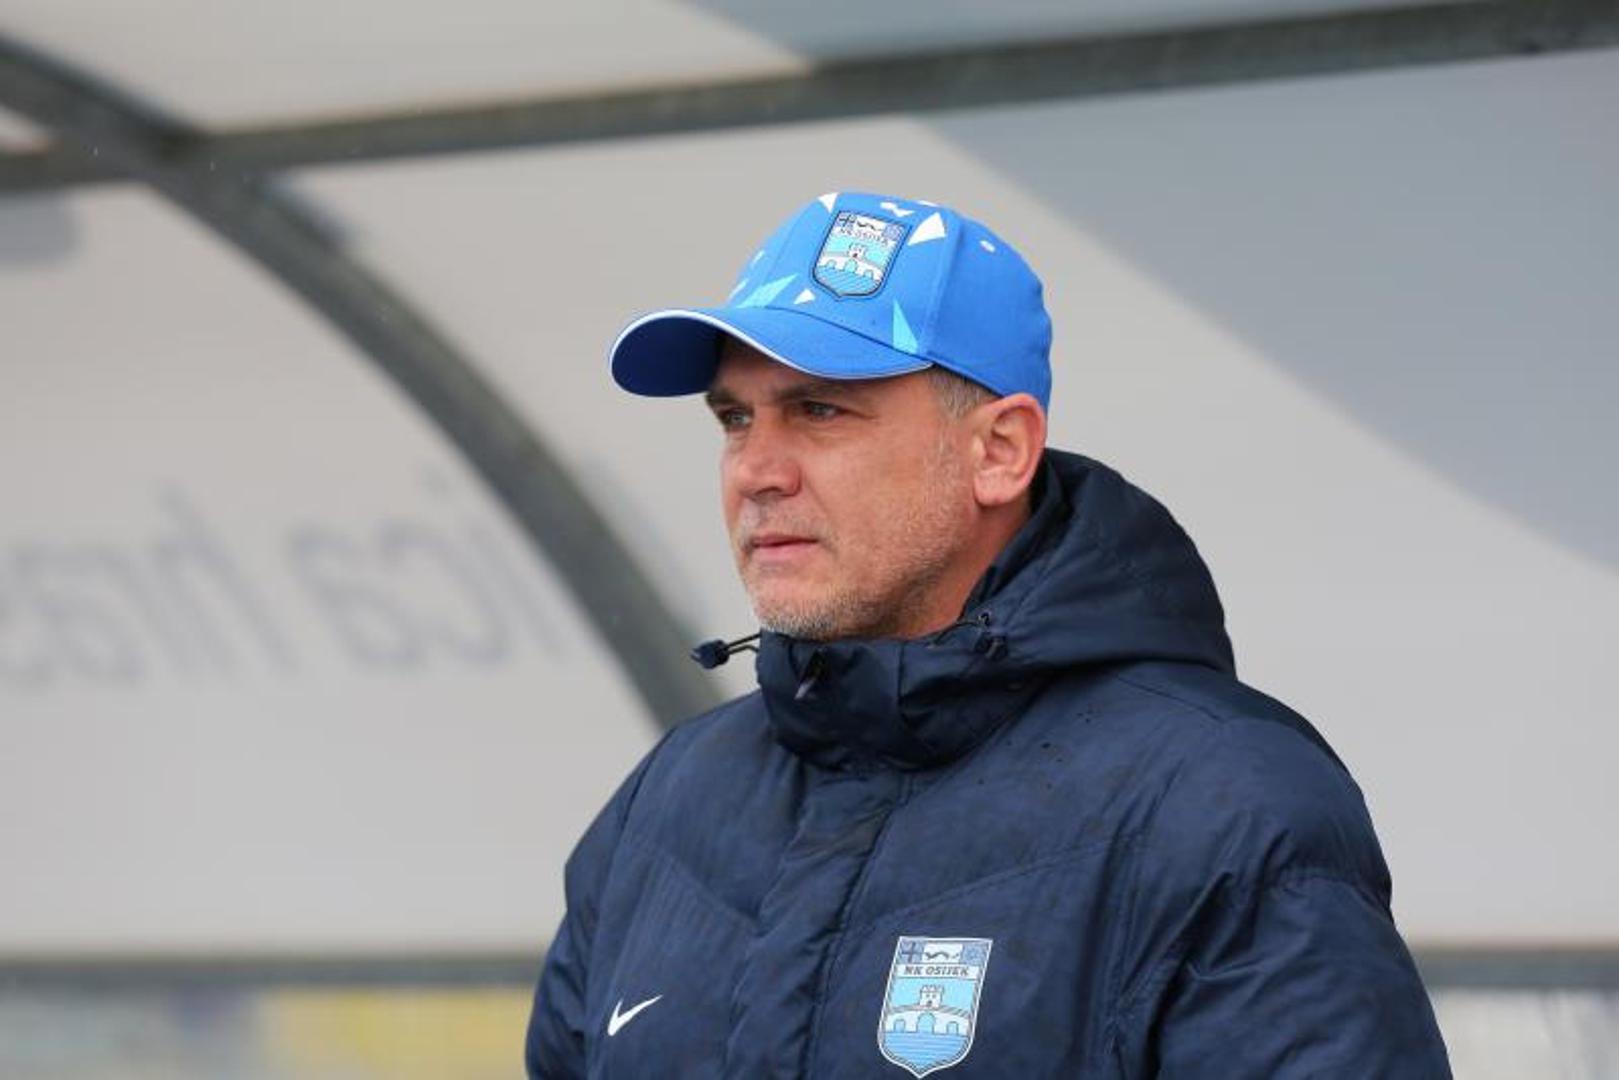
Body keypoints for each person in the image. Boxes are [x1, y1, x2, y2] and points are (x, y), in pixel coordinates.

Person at [525, 191, 1451, 1078]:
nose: (755, 471)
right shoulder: (670, 799)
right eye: (735, 418)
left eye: (819, 410)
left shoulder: (1219, 800)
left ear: (999, 451)